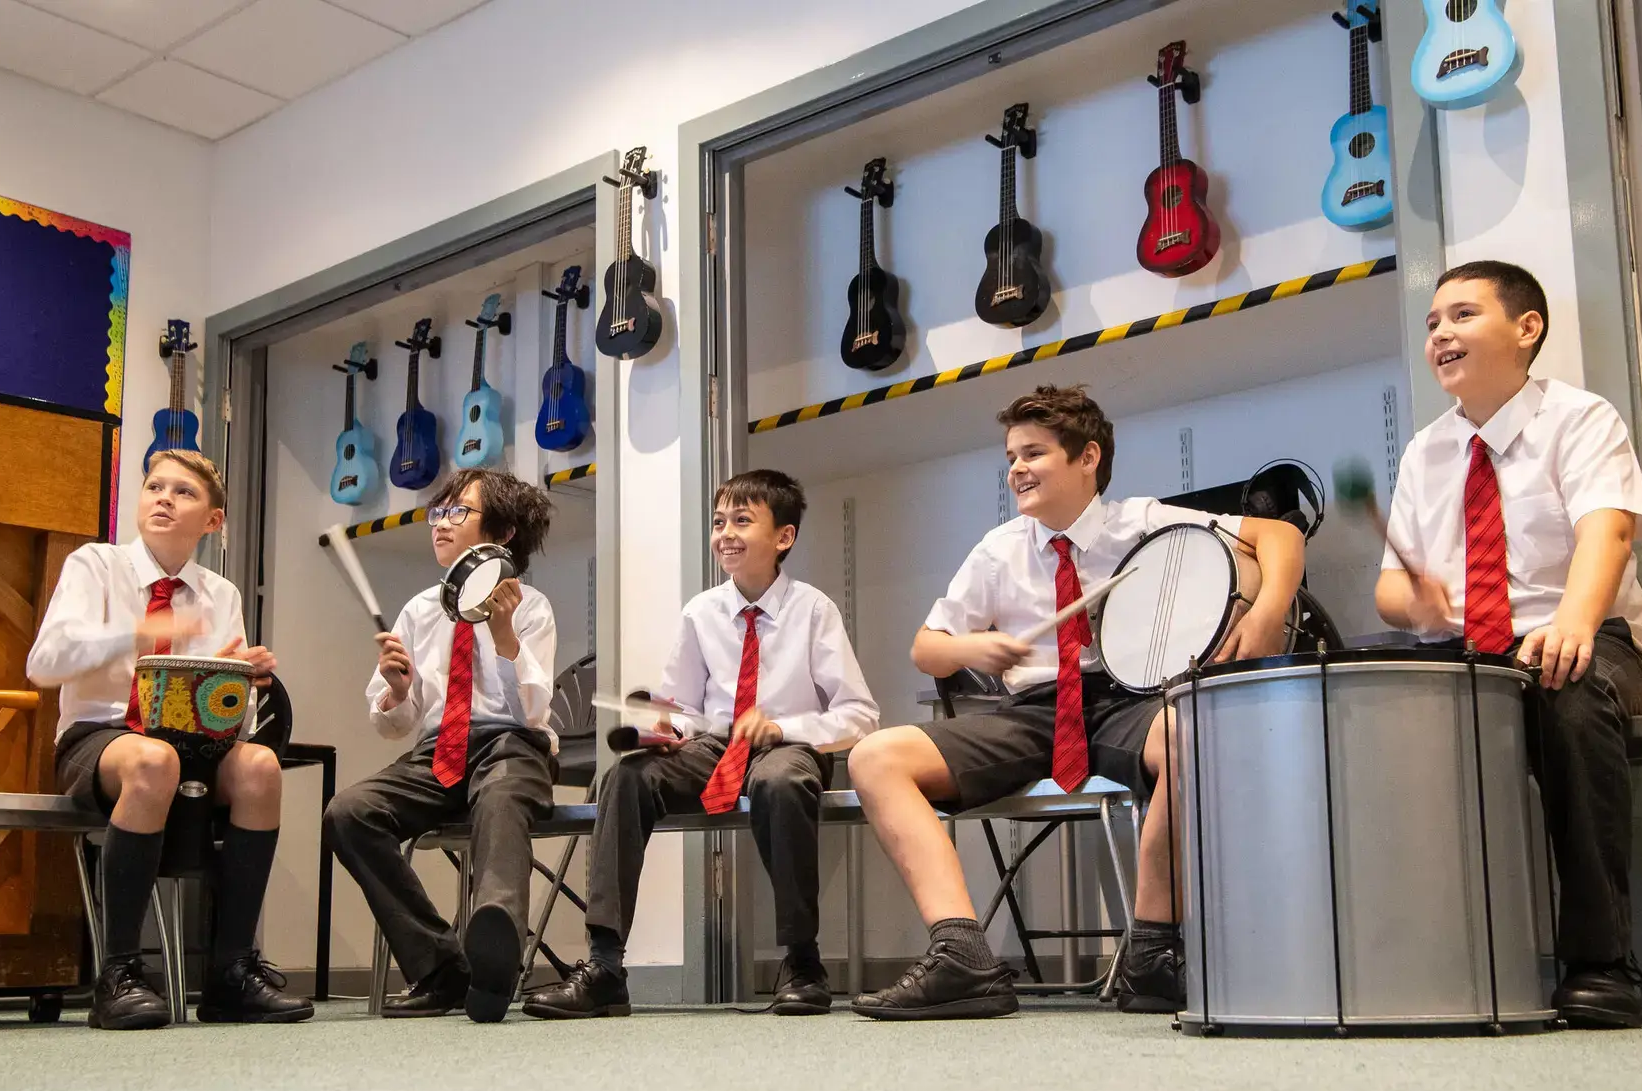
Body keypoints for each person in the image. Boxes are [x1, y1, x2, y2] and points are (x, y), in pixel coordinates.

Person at [847, 384, 1305, 1020]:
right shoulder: (998, 549)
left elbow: (1278, 534)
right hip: (1031, 712)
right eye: (1011, 456)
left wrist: (1267, 613)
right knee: (875, 758)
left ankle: (1150, 949)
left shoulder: (1143, 521)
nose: (1016, 469)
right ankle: (962, 956)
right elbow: (927, 648)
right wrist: (974, 649)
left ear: (1088, 457)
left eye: (1033, 453)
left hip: (1126, 698)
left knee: (1191, 732)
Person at [1376, 260, 1642, 1028]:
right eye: (1433, 322)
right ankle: (1413, 959)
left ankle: (1603, 963)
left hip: (1586, 640)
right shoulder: (1425, 451)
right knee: (1373, 708)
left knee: (1569, 687)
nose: (1440, 334)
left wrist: (1570, 618)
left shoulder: (1579, 417)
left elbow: (1612, 529)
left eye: (1462, 316)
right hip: (1468, 654)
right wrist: (1421, 605)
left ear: (1526, 329)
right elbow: (1389, 591)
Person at [524, 469, 878, 1018]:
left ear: (783, 537)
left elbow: (859, 715)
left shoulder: (813, 609)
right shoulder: (701, 611)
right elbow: (685, 708)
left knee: (780, 780)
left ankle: (802, 961)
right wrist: (670, 728)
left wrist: (784, 728)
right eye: (718, 522)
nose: (725, 533)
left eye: (742, 520)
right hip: (714, 745)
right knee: (627, 776)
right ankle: (605, 965)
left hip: (787, 744)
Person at [27, 450, 311, 1029]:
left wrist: (235, 679)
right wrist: (137, 632)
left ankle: (231, 971)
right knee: (153, 760)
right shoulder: (96, 565)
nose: (162, 497)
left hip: (192, 743)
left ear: (213, 521)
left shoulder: (221, 594)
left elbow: (226, 718)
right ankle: (119, 974)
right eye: (155, 486)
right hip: (101, 737)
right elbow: (45, 663)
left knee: (258, 766)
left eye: (183, 492)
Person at [323, 467, 558, 1023]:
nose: (441, 524)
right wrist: (398, 691)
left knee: (501, 801)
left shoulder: (531, 606)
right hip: (436, 754)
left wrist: (503, 635)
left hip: (510, 747)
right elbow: (397, 724)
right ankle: (440, 966)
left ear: (500, 534)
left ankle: (496, 935)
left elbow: (532, 713)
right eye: (439, 512)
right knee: (349, 812)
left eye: (458, 512)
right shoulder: (421, 608)